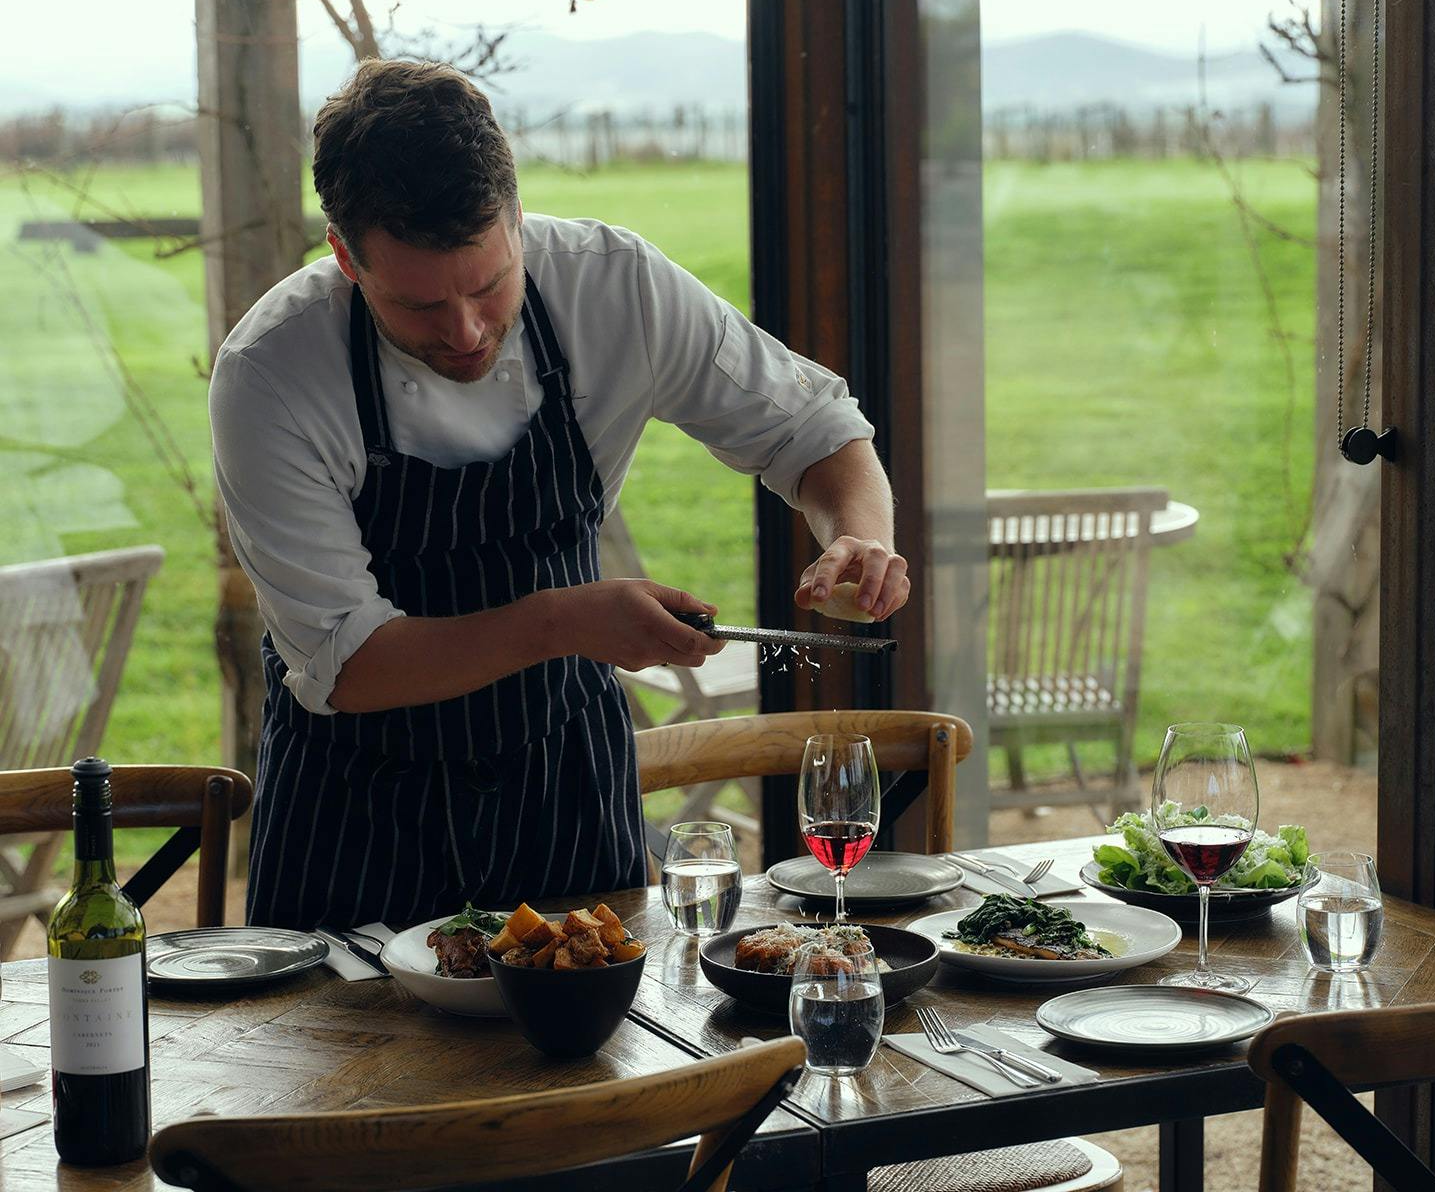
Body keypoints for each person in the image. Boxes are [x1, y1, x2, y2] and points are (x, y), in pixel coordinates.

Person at [209, 60, 910, 930]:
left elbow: (814, 429)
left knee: (607, 1057)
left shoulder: (612, 285)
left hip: (565, 780)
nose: (465, 332)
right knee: (352, 1064)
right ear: (345, 257)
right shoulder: (272, 372)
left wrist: (859, 533)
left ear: (516, 221)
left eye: (488, 284)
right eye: (419, 306)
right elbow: (346, 663)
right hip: (358, 801)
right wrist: (567, 621)